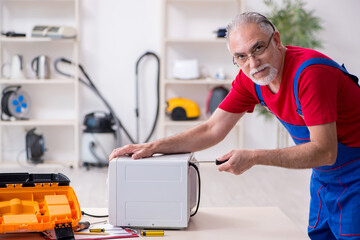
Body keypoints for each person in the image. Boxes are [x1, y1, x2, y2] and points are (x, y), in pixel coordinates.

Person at [109, 12, 360, 240]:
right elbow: (212, 129)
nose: (253, 64)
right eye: (241, 57)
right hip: (325, 175)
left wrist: (254, 156)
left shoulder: (309, 74)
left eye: (258, 48)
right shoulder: (252, 79)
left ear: (277, 40)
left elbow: (325, 151)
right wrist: (153, 146)